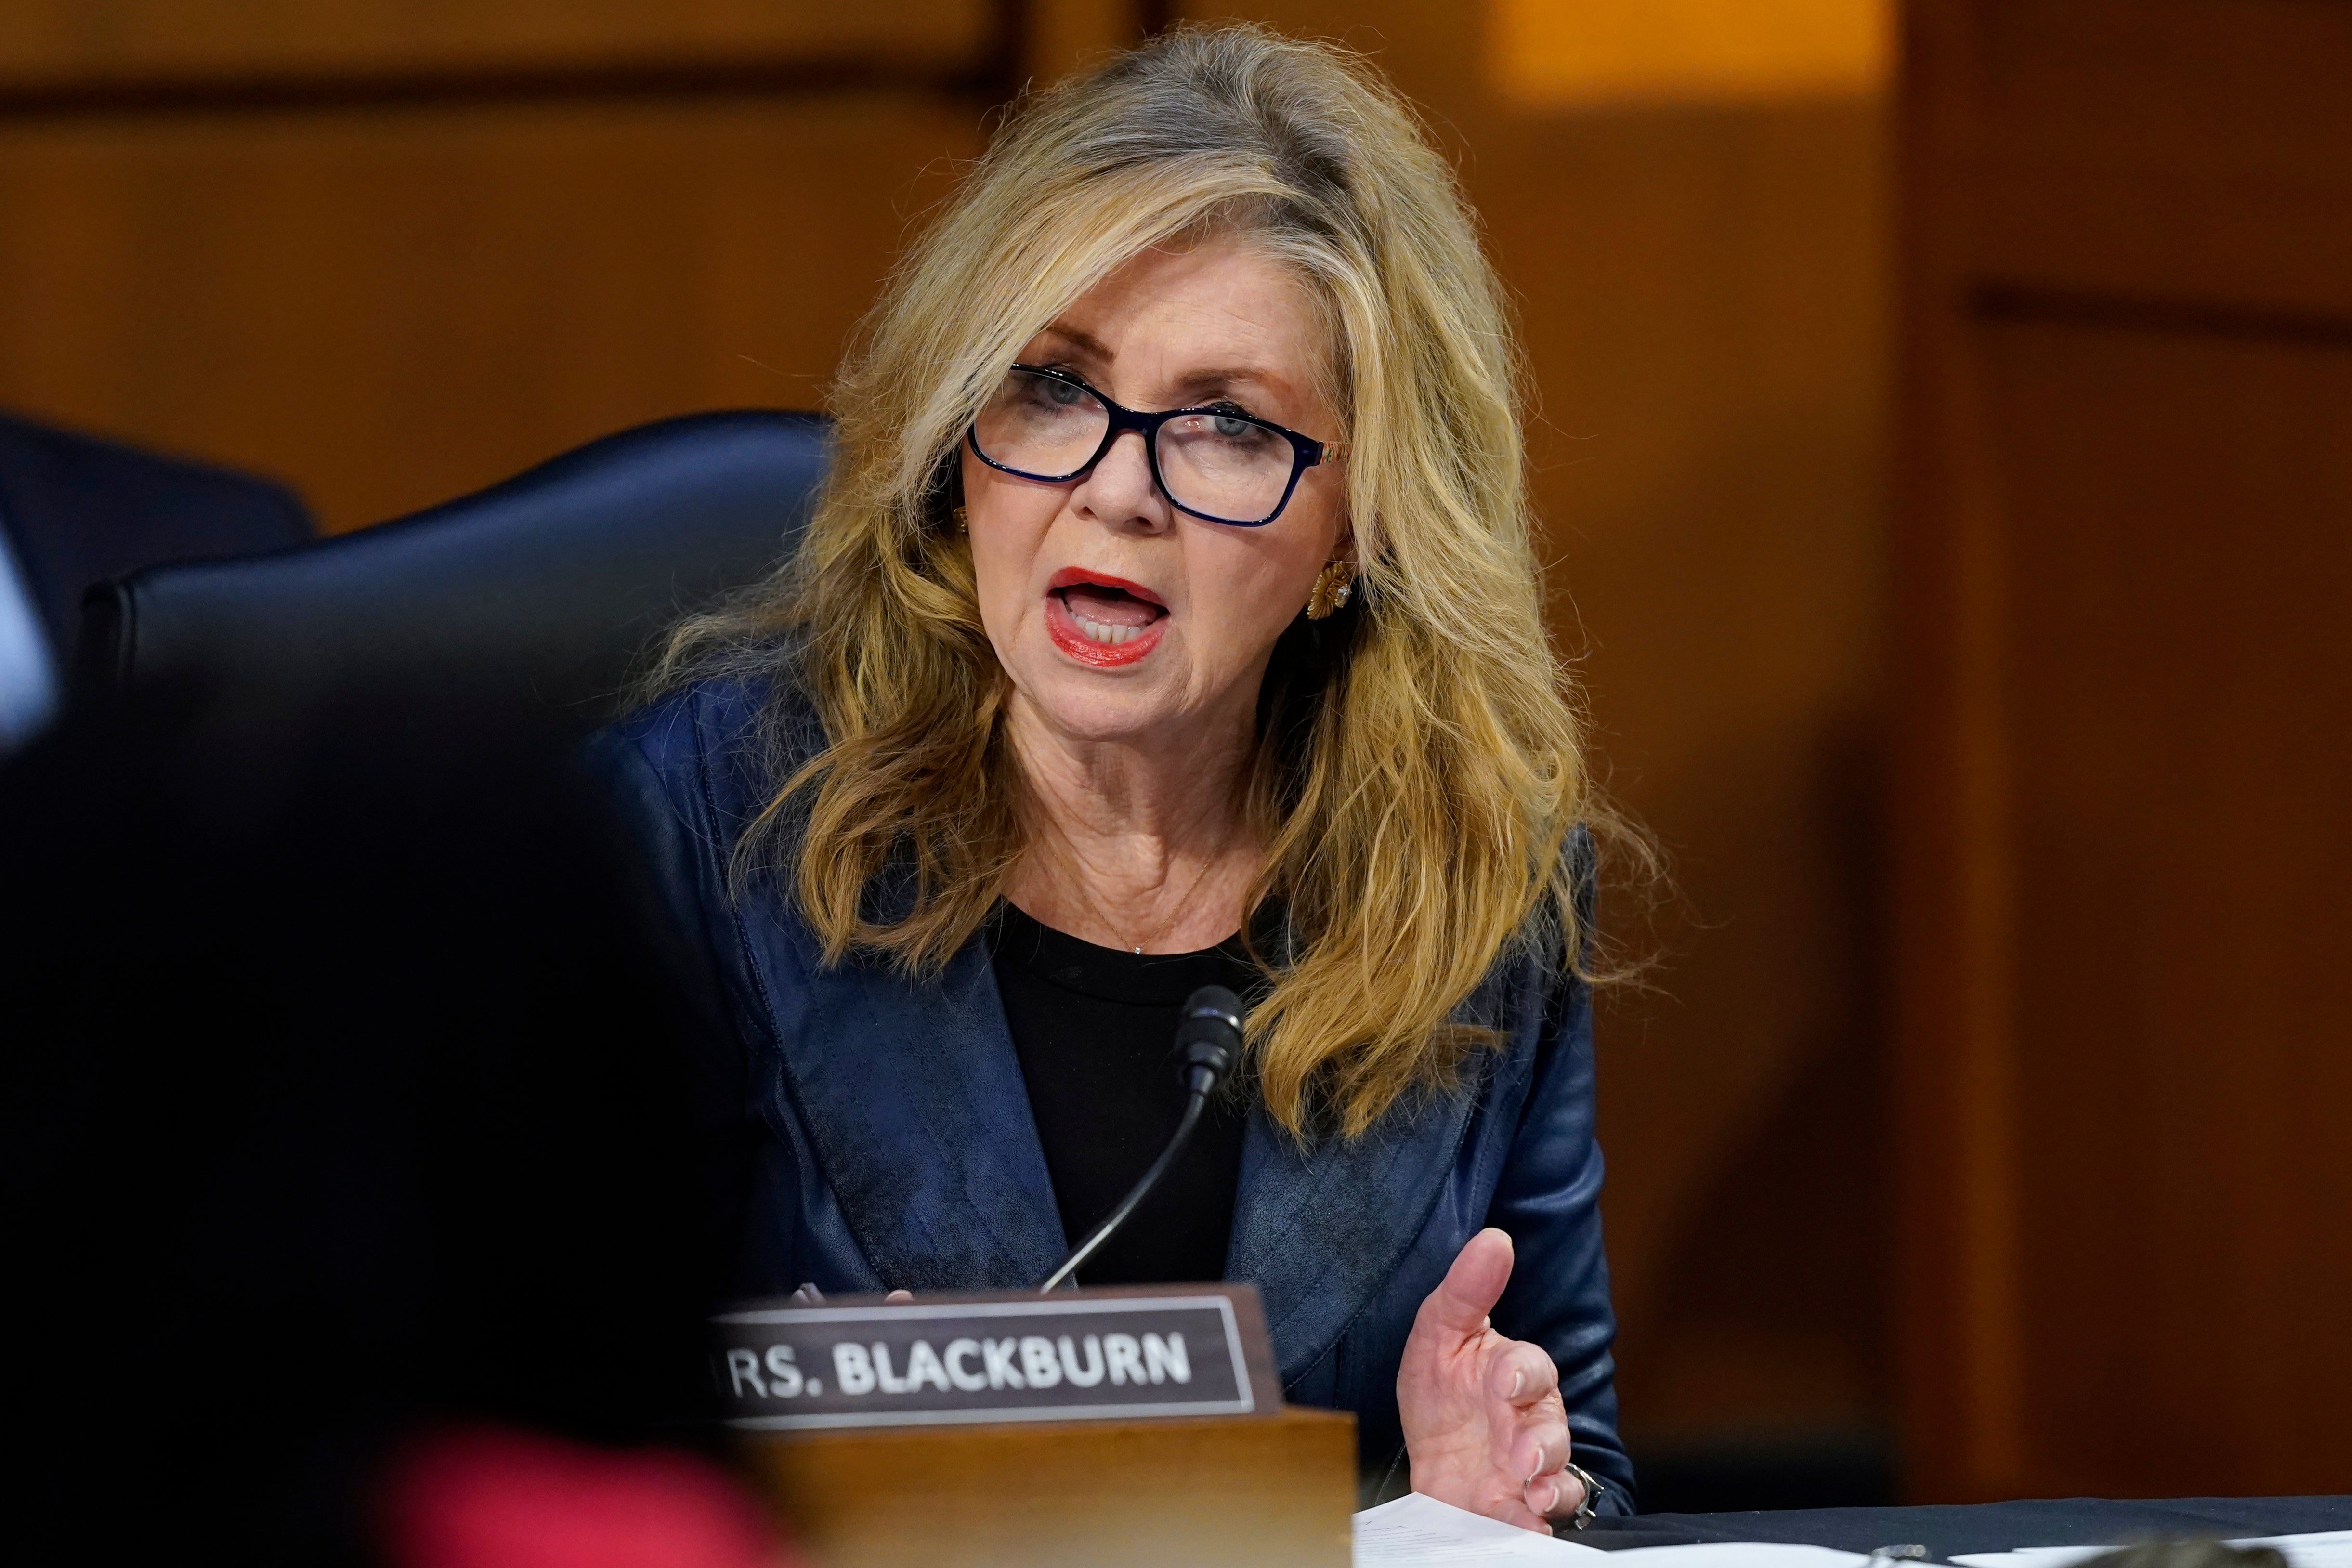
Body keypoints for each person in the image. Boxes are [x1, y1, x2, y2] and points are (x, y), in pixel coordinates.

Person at [593, 23, 1635, 1532]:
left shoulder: (1476, 880)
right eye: (1053, 388)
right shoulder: (695, 834)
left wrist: (1479, 1508)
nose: (1116, 485)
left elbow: (1583, 1479)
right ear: (960, 435)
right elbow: (519, 1471)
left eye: (1224, 424)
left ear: (1359, 526)